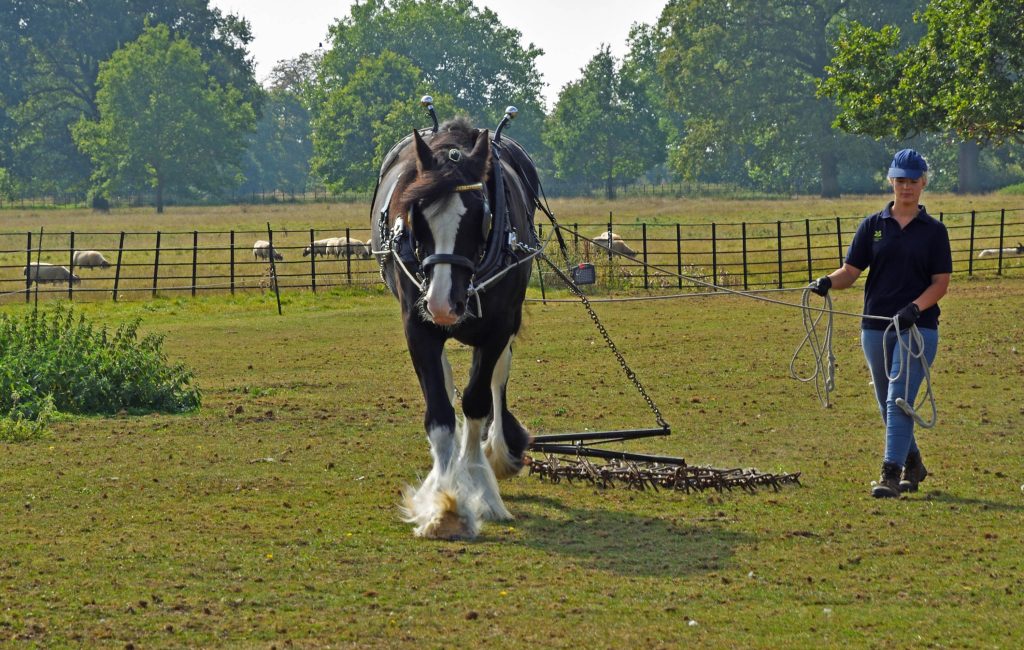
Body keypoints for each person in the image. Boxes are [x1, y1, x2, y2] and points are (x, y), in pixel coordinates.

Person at [808, 149, 952, 498]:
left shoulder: (934, 232)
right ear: (891, 181)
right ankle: (914, 462)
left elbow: (940, 283)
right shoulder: (872, 226)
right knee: (885, 397)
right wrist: (827, 281)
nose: (906, 187)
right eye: (900, 180)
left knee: (898, 397)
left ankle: (891, 474)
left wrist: (915, 309)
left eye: (912, 181)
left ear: (923, 183)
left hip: (918, 328)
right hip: (875, 326)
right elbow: (851, 272)